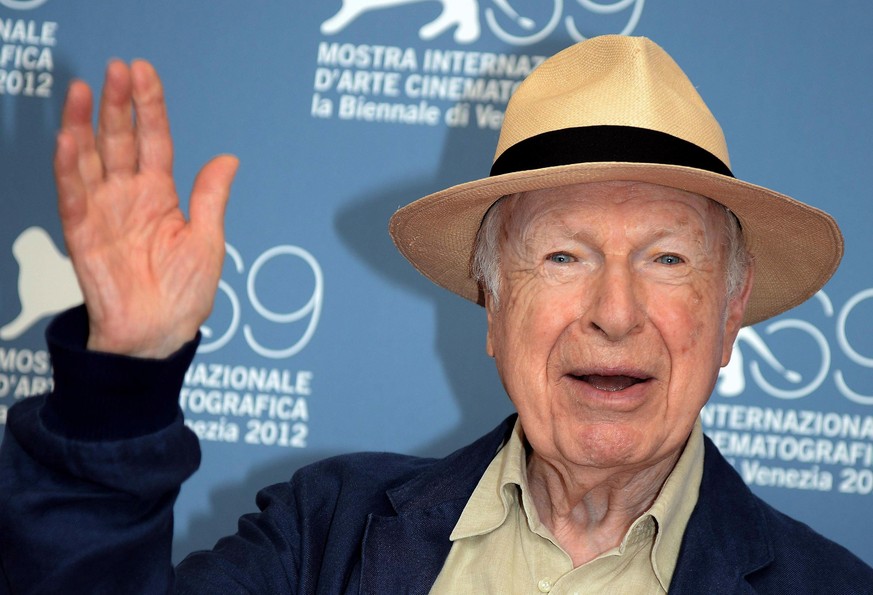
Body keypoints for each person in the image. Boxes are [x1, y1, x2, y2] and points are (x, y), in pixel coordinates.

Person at [1, 35, 871, 594]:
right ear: (492, 306)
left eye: (667, 260)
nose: (614, 312)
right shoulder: (324, 531)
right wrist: (124, 374)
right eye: (563, 255)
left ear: (729, 311)